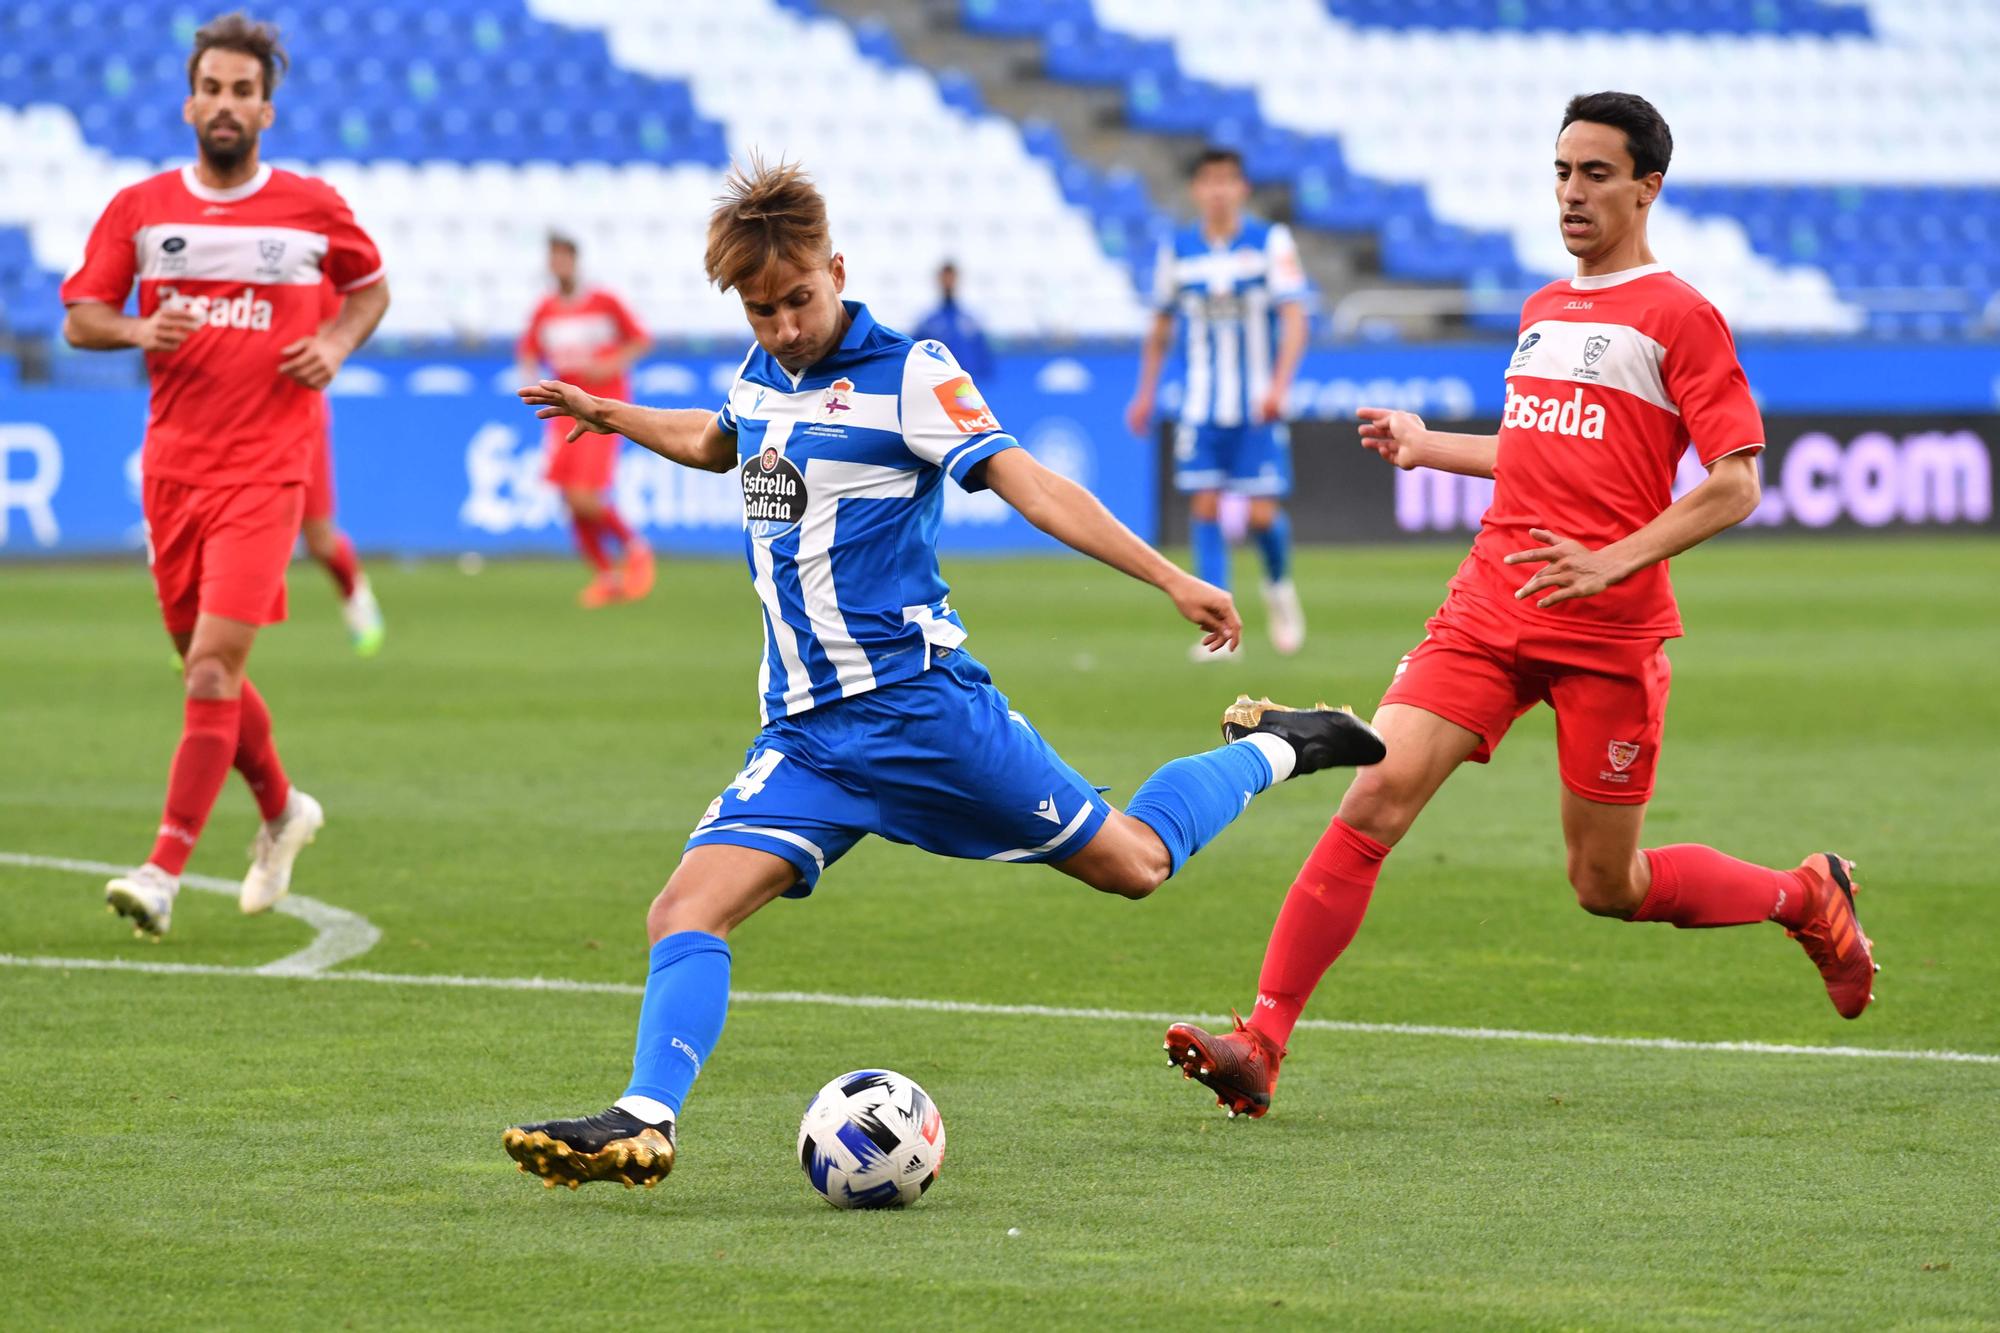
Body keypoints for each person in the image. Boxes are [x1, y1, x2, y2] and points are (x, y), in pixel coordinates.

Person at [500, 159, 1386, 1190]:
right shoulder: (758, 369)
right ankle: (641, 1119)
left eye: (798, 300)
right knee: (682, 909)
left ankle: (1286, 741)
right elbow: (716, 439)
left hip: (922, 713)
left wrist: (1167, 575)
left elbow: (1032, 485)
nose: (783, 324)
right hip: (804, 736)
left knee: (1134, 865)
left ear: (837, 269)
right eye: (760, 308)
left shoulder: (908, 373)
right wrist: (613, 414)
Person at [1163, 92, 1878, 1121]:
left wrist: (1609, 561)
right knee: (1370, 801)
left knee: (1607, 884)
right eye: (1559, 172)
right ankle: (1260, 1041)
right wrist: (1428, 445)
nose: (1571, 193)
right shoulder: (1544, 309)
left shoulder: (1679, 314)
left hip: (1606, 632)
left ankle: (1804, 895)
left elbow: (1734, 480)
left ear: (1646, 187)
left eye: (1593, 173)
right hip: (1488, 609)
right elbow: (1533, 455)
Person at [60, 12, 389, 937]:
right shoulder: (141, 207)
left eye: (244, 92)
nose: (227, 104)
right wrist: (135, 330)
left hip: (267, 472)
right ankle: (283, 808)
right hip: (173, 474)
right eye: (213, 88)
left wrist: (333, 341)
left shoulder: (312, 207)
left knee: (211, 670)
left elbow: (371, 287)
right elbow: (83, 313)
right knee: (202, 668)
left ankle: (163, 869)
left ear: (267, 109)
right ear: (190, 100)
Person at [1127, 147, 1310, 662]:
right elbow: (1160, 324)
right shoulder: (1179, 249)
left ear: (1242, 188)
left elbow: (1295, 318)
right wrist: (1145, 394)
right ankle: (1219, 630)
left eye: (1228, 180)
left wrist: (1279, 385)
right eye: (1209, 181)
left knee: (1260, 514)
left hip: (1256, 405)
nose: (1218, 190)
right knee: (1204, 505)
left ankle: (1278, 588)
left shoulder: (1269, 242)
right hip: (1201, 404)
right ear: (1196, 190)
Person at [515, 233, 654, 608]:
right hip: (563, 411)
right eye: (553, 258)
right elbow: (527, 350)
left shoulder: (604, 301)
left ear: (575, 261)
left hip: (601, 407)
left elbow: (640, 339)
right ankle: (606, 576)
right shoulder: (545, 309)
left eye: (563, 258)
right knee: (567, 497)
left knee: (584, 495)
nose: (558, 265)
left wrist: (610, 364)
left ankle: (635, 549)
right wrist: (529, 376)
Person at [299, 276, 385, 656]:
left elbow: (328, 331)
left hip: (298, 415)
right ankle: (199, 630)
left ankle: (357, 599)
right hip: (232, 418)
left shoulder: (306, 264)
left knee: (319, 540)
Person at [912, 260, 994, 383]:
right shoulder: (928, 323)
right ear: (939, 280)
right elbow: (915, 357)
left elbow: (984, 360)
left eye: (951, 277)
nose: (948, 281)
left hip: (968, 389)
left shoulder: (970, 322)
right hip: (940, 388)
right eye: (945, 277)